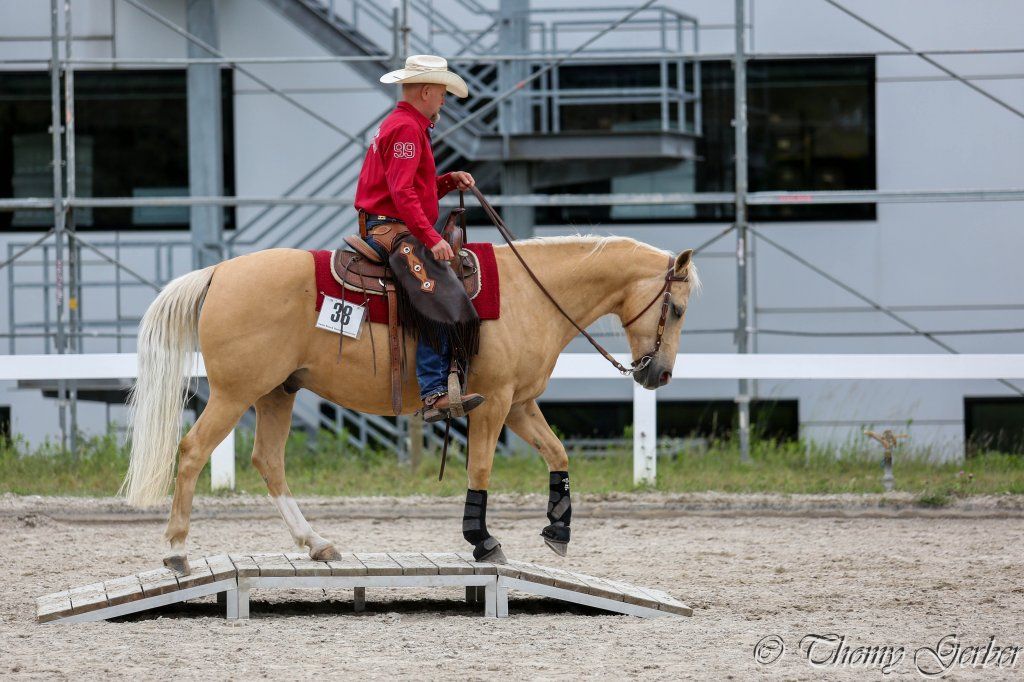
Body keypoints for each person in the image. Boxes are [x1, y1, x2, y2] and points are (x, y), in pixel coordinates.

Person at [354, 54, 485, 422]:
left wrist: (446, 181)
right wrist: (431, 236)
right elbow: (401, 193)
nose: (444, 100)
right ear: (426, 91)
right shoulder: (408, 130)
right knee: (439, 292)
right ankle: (433, 391)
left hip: (388, 222)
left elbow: (409, 188)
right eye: (442, 93)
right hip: (391, 229)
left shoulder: (403, 125)